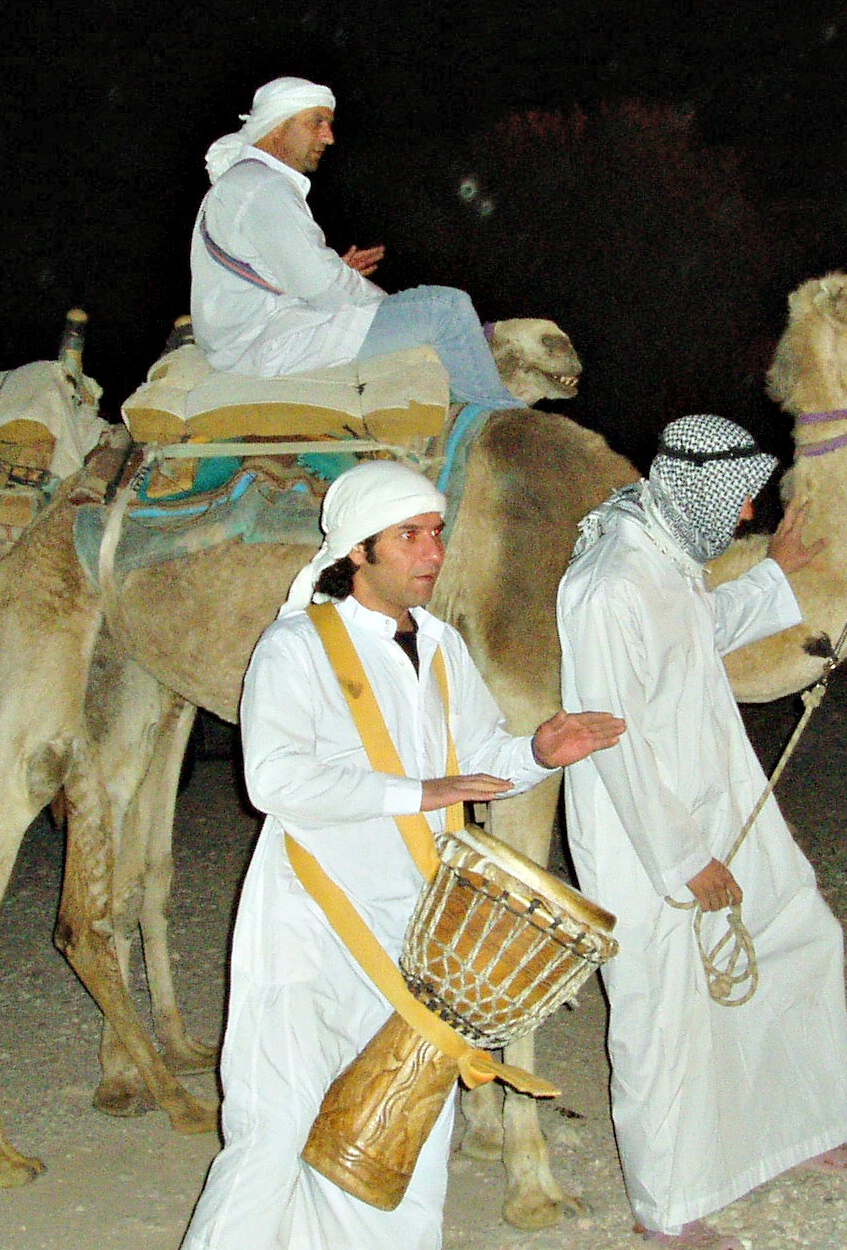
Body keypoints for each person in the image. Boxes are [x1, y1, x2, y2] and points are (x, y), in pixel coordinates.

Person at [180, 460, 626, 1250]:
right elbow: (275, 780)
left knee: (398, 1138)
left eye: (437, 533)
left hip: (420, 933)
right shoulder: (295, 647)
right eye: (409, 536)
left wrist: (539, 750)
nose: (433, 551)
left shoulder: (446, 645)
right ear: (357, 551)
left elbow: (481, 753)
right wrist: (416, 791)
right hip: (309, 923)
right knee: (274, 1130)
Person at [555, 414, 847, 1250]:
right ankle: (664, 1213)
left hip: (722, 797)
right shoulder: (607, 581)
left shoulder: (661, 552)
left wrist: (776, 574)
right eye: (737, 503)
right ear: (699, 486)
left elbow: (694, 639)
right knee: (660, 1011)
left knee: (800, 931)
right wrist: (684, 858)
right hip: (644, 832)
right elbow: (612, 740)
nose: (740, 517)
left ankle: (798, 1127)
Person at [189, 76, 526, 410]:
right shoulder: (265, 189)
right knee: (447, 310)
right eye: (316, 123)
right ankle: (504, 423)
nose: (329, 137)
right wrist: (388, 304)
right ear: (277, 127)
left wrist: (340, 272)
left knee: (425, 309)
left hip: (246, 337)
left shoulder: (244, 181)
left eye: (329, 124)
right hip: (265, 343)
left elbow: (287, 271)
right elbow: (325, 288)